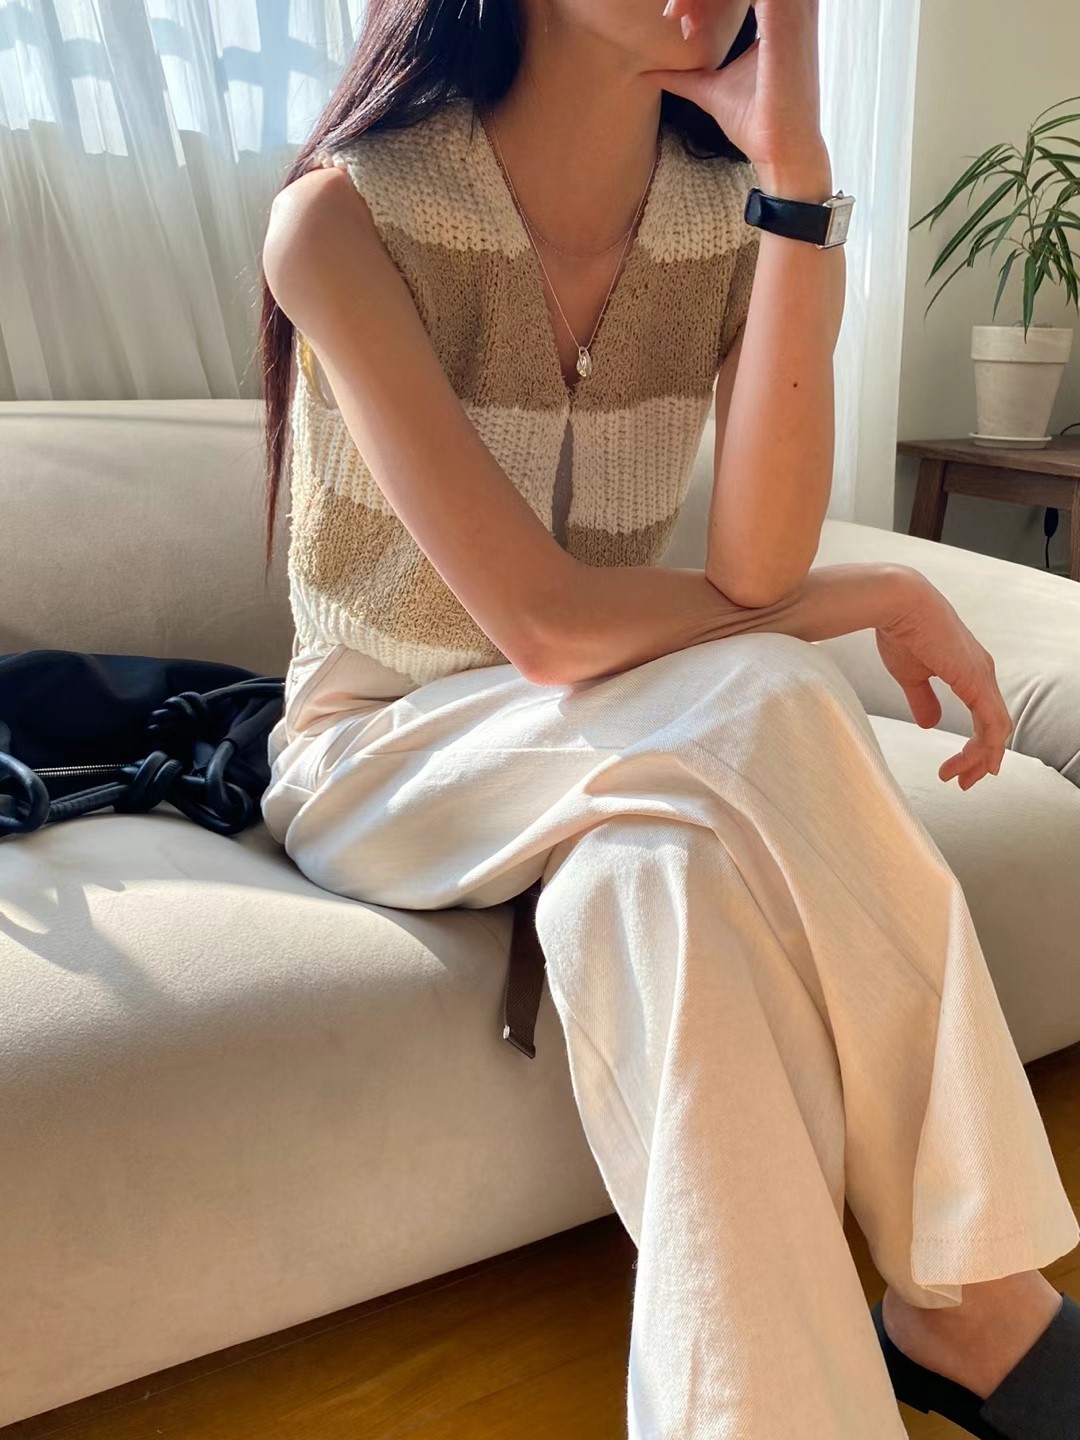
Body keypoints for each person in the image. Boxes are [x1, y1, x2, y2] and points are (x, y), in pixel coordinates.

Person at [254, 0, 1080, 1434]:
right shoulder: (343, 218)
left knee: (658, 890)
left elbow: (753, 565)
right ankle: (978, 1302)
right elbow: (546, 625)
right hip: (387, 748)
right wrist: (869, 593)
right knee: (771, 684)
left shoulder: (725, 219)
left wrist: (798, 181)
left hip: (625, 734)